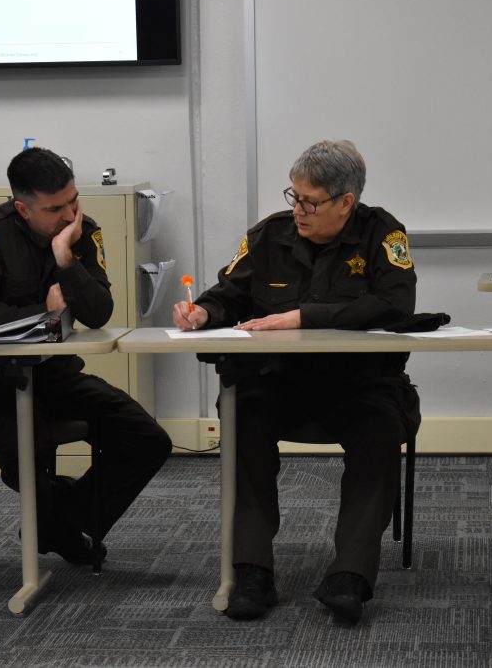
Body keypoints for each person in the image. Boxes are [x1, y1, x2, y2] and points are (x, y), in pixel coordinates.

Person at [172, 140, 421, 624]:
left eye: (311, 202)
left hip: (360, 385)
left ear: (346, 202)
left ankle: (350, 575)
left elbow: (395, 304)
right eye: (295, 197)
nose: (299, 211)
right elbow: (230, 293)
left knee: (379, 432)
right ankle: (251, 572)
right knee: (242, 417)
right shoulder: (269, 236)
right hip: (277, 383)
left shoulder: (382, 234)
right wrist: (202, 311)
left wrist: (302, 316)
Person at [0, 147, 171, 565]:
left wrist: (65, 258)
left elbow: (98, 312)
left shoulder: (83, 231)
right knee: (27, 444)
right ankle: (63, 530)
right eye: (55, 209)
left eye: (73, 201)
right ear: (22, 208)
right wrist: (45, 314)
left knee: (147, 440)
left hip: (56, 376)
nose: (69, 215)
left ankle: (59, 524)